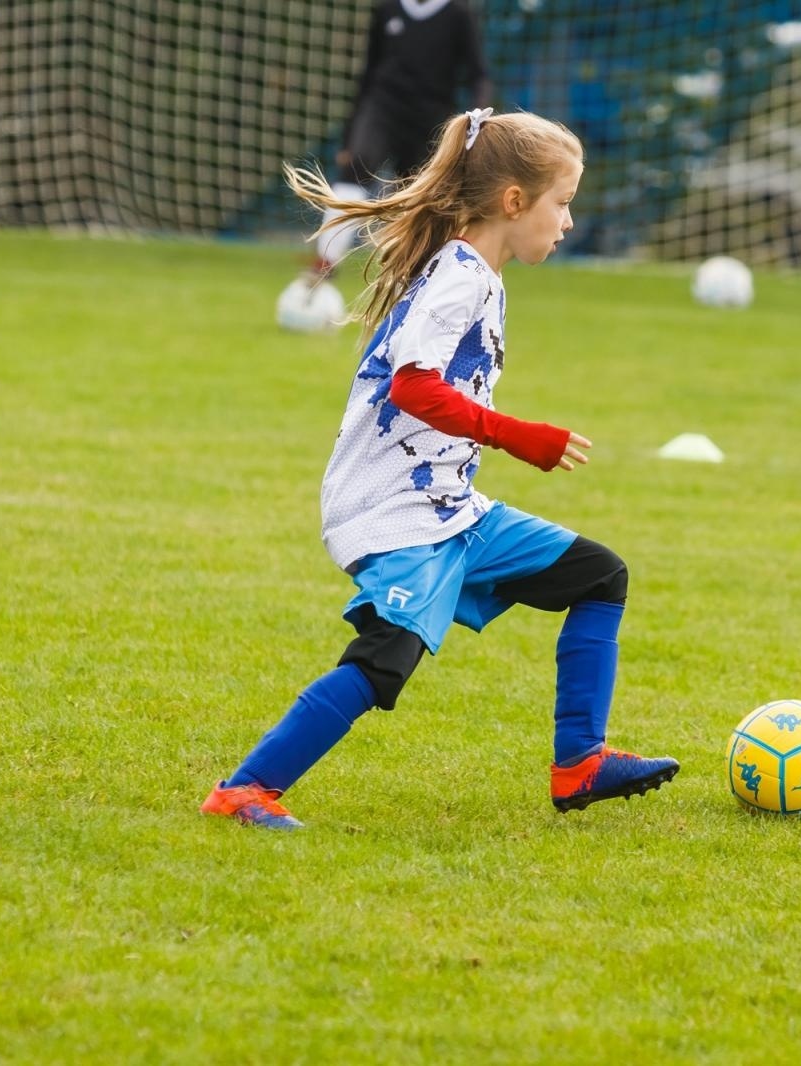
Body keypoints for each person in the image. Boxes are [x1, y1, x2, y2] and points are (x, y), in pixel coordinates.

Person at [204, 108, 680, 830]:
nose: (570, 221)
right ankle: (243, 791)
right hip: (395, 511)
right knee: (384, 659)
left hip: (451, 507)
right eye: (563, 202)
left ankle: (579, 762)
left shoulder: (478, 275)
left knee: (598, 575)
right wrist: (519, 436)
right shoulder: (458, 277)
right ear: (513, 202)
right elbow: (414, 388)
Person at [304, 0, 493, 285]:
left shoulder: (458, 13)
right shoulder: (387, 8)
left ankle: (413, 273)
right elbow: (368, 72)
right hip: (382, 106)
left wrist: (477, 118)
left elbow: (479, 75)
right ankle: (324, 264)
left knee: (420, 194)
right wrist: (349, 135)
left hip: (431, 117)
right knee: (356, 165)